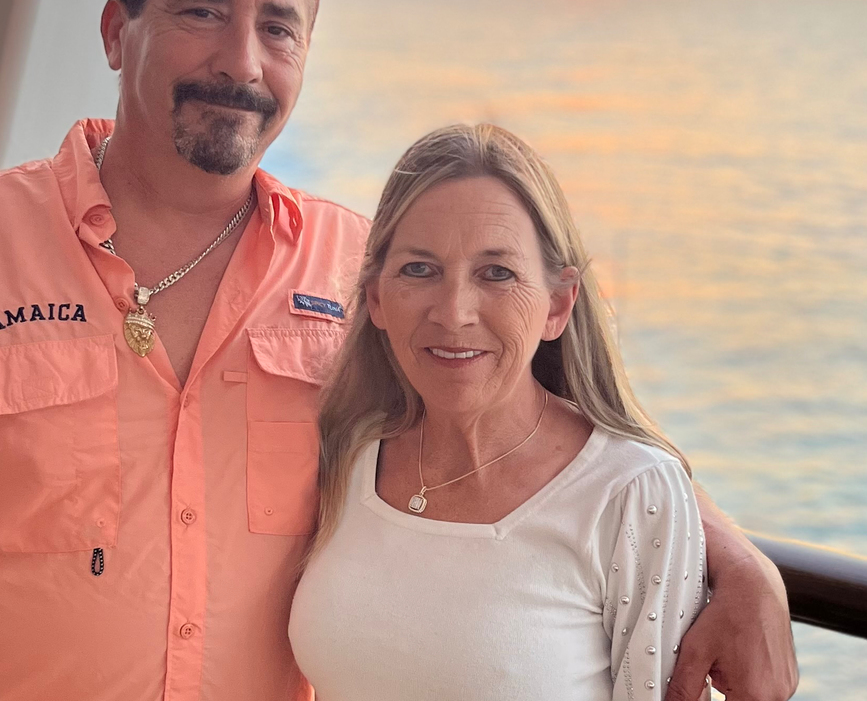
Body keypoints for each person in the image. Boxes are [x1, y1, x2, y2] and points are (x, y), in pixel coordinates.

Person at [0, 0, 797, 701]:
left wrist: (734, 557)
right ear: (119, 31)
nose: (241, 62)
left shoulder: (366, 275)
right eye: (203, 12)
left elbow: (537, 421)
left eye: (279, 28)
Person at [290, 124, 704, 699]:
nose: (454, 312)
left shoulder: (631, 492)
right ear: (377, 298)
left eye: (497, 273)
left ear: (557, 305)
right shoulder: (347, 452)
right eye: (419, 269)